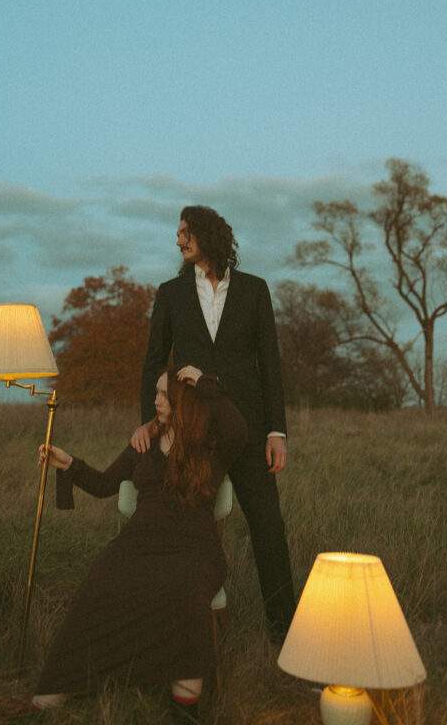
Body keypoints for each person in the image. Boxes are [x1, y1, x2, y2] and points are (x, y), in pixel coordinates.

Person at [31, 365, 247, 722]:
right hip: (138, 542)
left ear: (184, 402)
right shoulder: (143, 443)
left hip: (194, 547)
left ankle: (185, 703)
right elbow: (103, 485)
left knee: (187, 591)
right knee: (99, 583)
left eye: (165, 395)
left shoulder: (213, 446)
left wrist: (208, 384)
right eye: (157, 393)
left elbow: (238, 428)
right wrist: (67, 463)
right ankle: (66, 680)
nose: (156, 400)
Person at [136, 205, 296, 642]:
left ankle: (286, 636)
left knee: (269, 529)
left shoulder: (254, 290)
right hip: (191, 435)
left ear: (207, 236)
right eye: (178, 232)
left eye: (185, 232)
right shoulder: (170, 294)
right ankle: (176, 631)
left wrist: (276, 432)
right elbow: (154, 361)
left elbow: (270, 365)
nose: (178, 239)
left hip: (247, 432)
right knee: (184, 530)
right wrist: (151, 423)